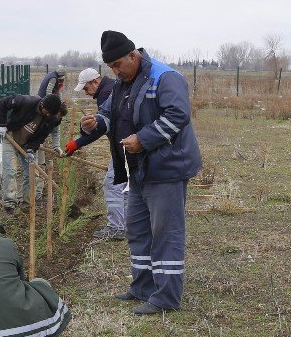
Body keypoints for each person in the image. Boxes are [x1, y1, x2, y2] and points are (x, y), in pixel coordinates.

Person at [80, 31, 202, 315]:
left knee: (165, 233)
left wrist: (143, 139)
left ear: (133, 56)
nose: (116, 72)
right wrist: (94, 123)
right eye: (111, 68)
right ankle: (143, 286)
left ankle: (166, 298)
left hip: (167, 168)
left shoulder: (164, 77)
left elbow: (178, 115)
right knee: (138, 229)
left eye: (119, 65)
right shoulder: (124, 82)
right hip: (138, 170)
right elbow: (111, 115)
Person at [65, 67, 126, 241]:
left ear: (95, 82)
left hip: (123, 145)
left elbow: (100, 127)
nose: (86, 93)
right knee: (125, 186)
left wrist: (77, 143)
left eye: (86, 88)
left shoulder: (107, 93)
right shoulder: (112, 88)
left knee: (113, 184)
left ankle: (116, 228)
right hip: (127, 144)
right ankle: (127, 225)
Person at [0, 93, 66, 209]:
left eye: (50, 114)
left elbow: (41, 137)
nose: (48, 115)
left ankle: (27, 204)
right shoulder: (26, 101)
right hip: (11, 137)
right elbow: (2, 103)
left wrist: (31, 149)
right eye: (47, 112)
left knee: (31, 172)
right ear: (42, 105)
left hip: (27, 144)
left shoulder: (52, 118)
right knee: (11, 170)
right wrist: (1, 124)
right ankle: (9, 203)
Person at [37, 66, 66, 152]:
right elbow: (48, 91)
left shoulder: (52, 75)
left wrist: (56, 146)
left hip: (46, 103)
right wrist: (50, 104)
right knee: (38, 136)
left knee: (39, 140)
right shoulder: (53, 78)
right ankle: (36, 161)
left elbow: (56, 130)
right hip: (44, 102)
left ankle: (41, 163)